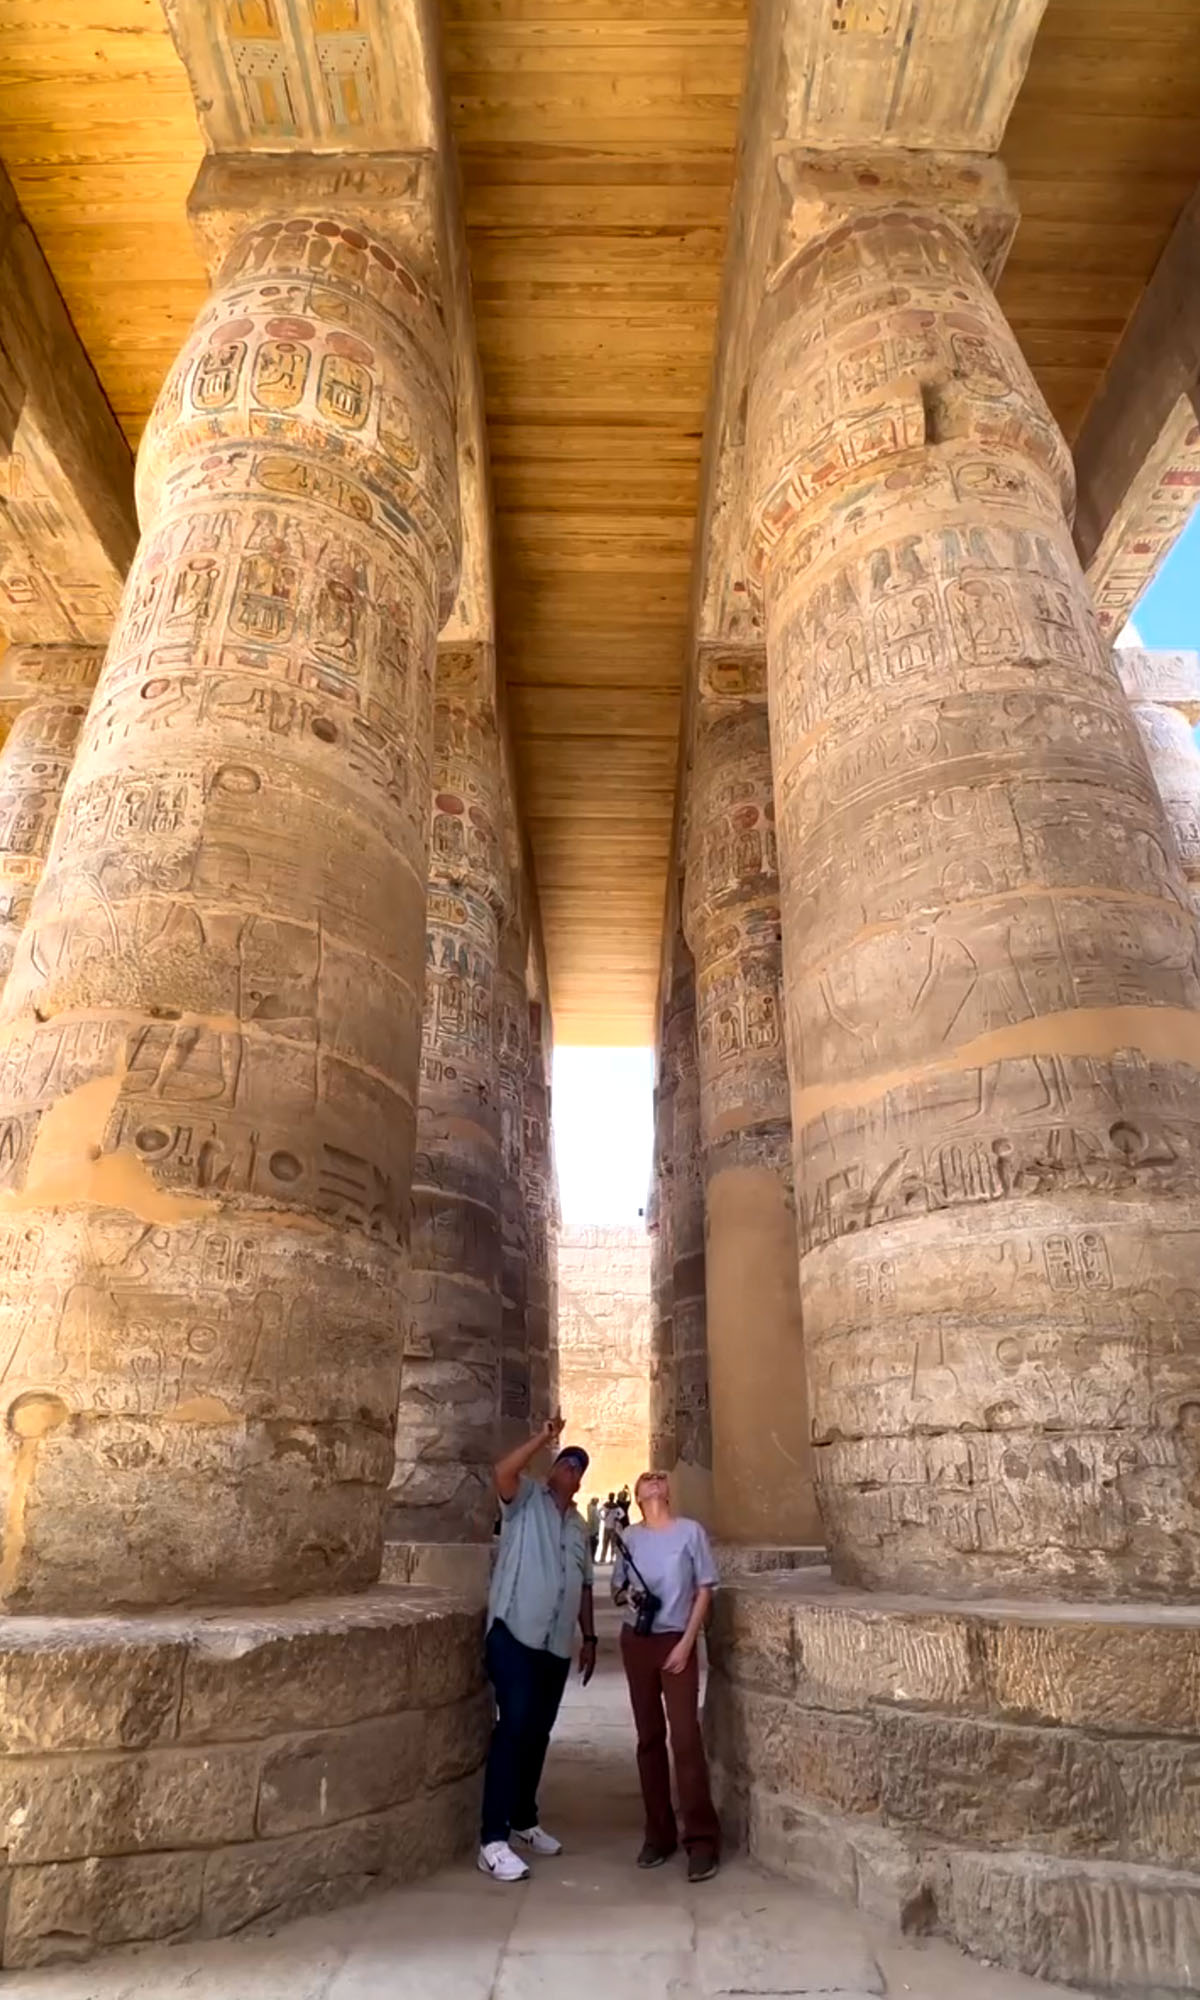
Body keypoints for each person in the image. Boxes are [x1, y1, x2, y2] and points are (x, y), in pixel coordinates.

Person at [478, 1414, 597, 1883]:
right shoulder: (525, 1500)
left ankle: (525, 1819)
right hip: (515, 1634)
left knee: (539, 1733)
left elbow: (585, 1584)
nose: (568, 1467)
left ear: (580, 1480)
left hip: (556, 1644)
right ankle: (493, 1839)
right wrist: (544, 1438)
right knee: (514, 1729)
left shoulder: (580, 1527)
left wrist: (588, 1637)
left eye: (575, 1465)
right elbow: (501, 1473)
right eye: (564, 1461)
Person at [613, 1468, 721, 1882]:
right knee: (649, 1739)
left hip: (677, 1640)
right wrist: (629, 1594)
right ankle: (658, 1834)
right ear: (638, 1496)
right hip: (638, 1642)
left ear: (668, 1492)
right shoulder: (630, 1539)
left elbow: (705, 1588)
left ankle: (701, 1838)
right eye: (647, 1478)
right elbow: (619, 1589)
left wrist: (687, 1643)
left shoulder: (690, 1532)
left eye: (660, 1477)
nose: (655, 1479)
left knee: (686, 1739)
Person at [599, 1492, 620, 1564]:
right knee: (612, 1544)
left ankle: (602, 1558)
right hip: (613, 1527)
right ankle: (611, 1559)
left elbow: (598, 1511)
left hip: (606, 1527)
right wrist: (617, 1518)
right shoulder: (616, 1506)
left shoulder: (606, 1505)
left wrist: (602, 1518)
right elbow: (622, 1513)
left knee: (605, 1543)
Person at [585, 1494, 601, 1558]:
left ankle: (592, 1557)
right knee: (593, 1544)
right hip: (593, 1530)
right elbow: (592, 1520)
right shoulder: (592, 1508)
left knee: (593, 1544)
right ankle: (592, 1558)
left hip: (594, 1529)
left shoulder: (593, 1508)